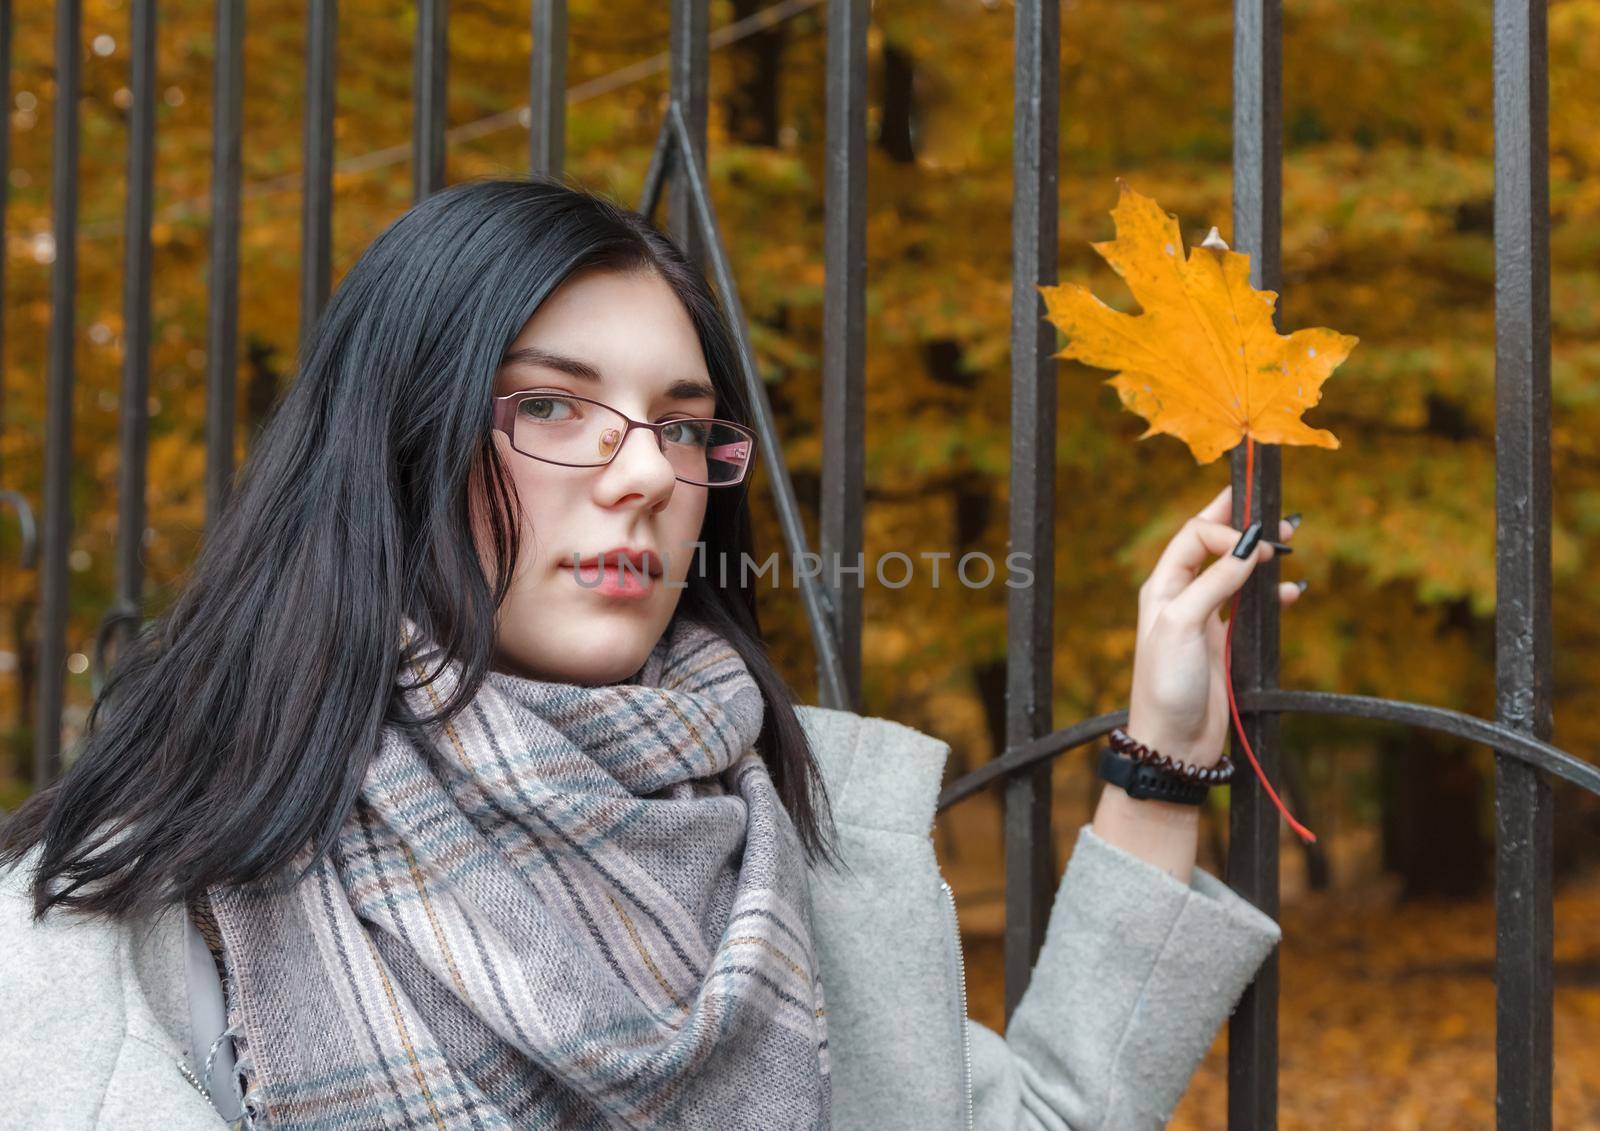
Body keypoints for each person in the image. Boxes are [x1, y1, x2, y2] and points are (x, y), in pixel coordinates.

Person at [0, 176, 1298, 1131]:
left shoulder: (804, 836)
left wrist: (1160, 767)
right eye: (554, 406)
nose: (643, 475)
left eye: (683, 427)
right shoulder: (119, 918)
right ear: (394, 444)